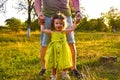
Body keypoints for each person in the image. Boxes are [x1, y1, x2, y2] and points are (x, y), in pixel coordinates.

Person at [34, 0, 82, 79]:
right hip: (47, 15)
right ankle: (43, 68)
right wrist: (39, 13)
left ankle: (73, 69)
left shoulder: (64, 29)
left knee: (71, 42)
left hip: (65, 15)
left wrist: (78, 12)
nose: (58, 25)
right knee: (44, 44)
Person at [40, 13, 80, 80]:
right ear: (54, 24)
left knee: (64, 60)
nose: (59, 25)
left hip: (63, 49)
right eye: (57, 23)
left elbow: (72, 29)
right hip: (54, 49)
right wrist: (42, 23)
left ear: (63, 24)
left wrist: (76, 22)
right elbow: (43, 30)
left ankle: (64, 73)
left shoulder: (64, 32)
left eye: (61, 23)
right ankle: (54, 75)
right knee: (54, 62)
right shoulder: (52, 32)